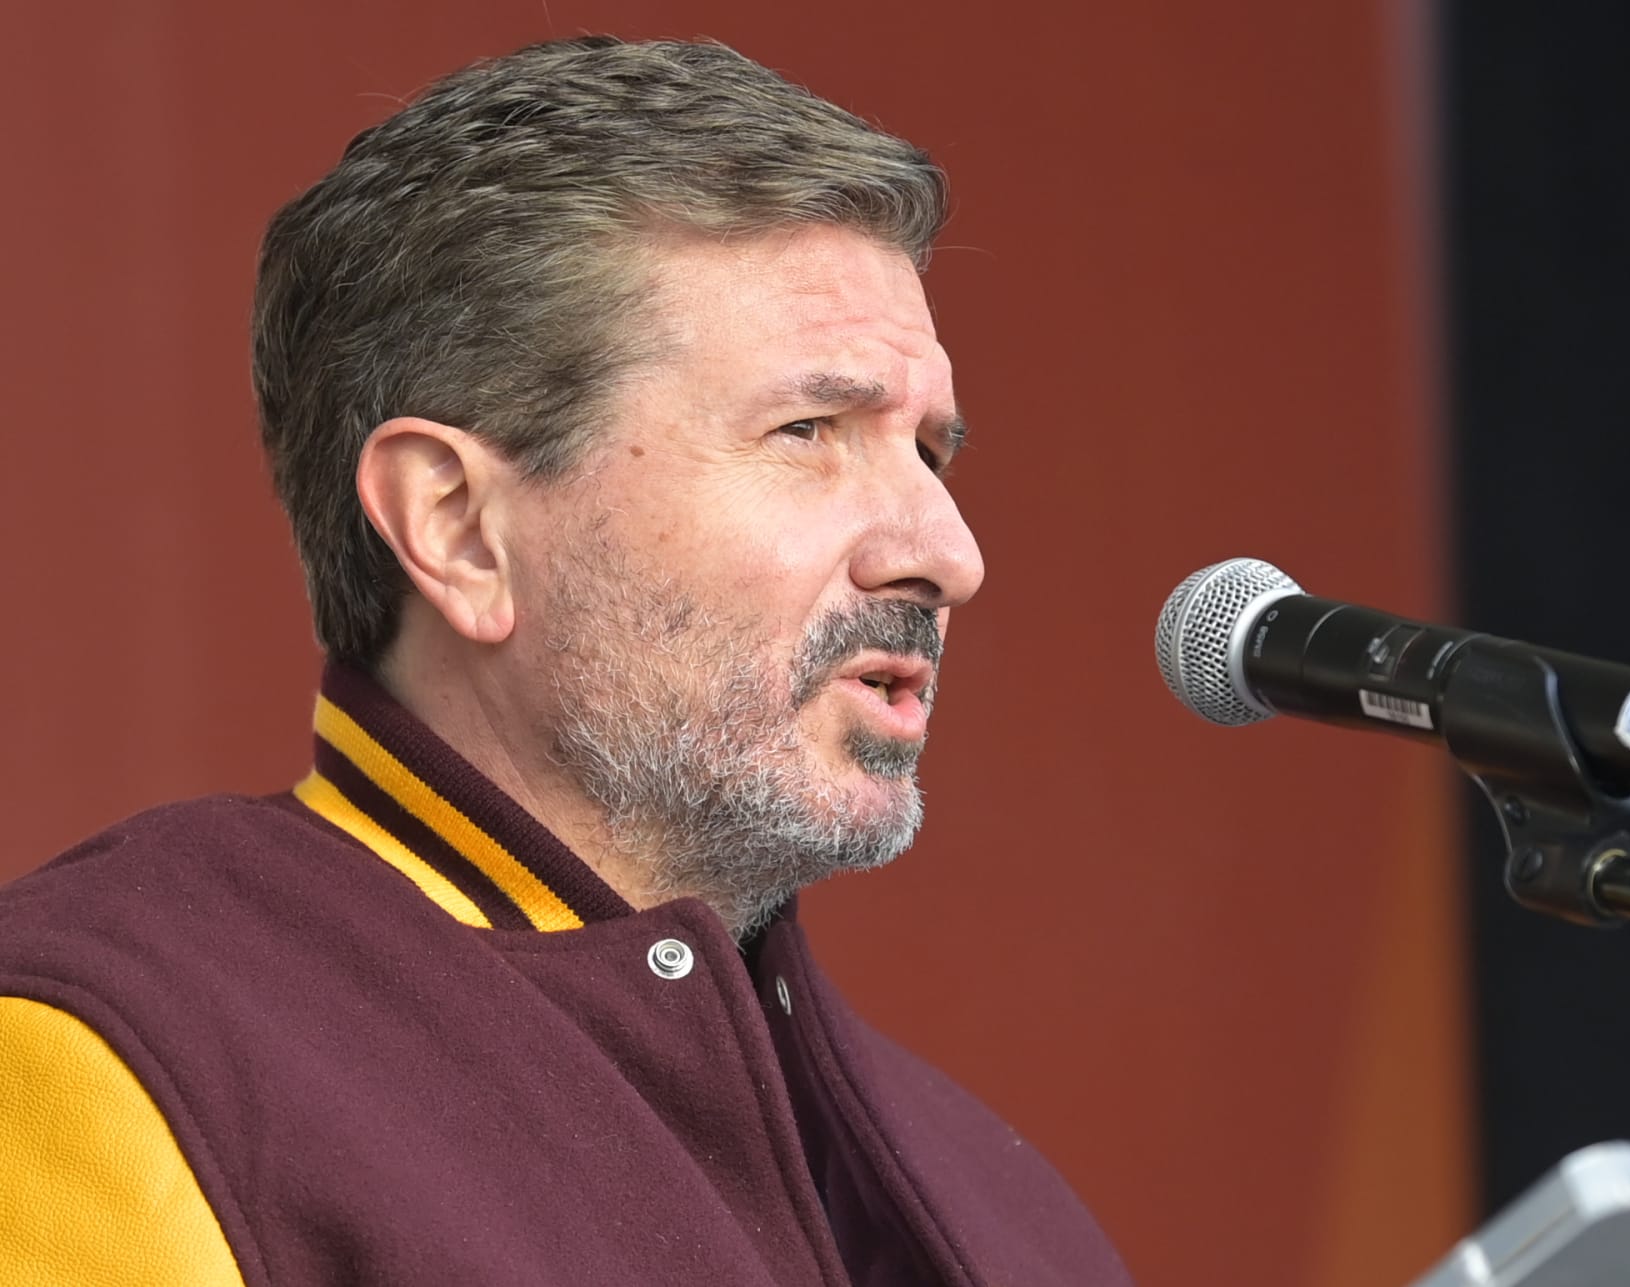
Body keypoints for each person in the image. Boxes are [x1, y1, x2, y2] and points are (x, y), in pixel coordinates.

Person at [0, 35, 1130, 1286]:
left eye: (932, 451)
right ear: (459, 528)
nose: (946, 552)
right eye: (810, 430)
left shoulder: (1003, 1203)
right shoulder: (115, 1055)